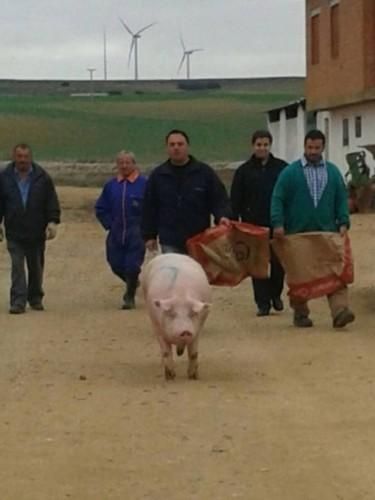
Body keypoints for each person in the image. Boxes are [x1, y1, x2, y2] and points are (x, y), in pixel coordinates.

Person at [271, 129, 355, 328]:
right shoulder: (290, 173)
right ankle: (301, 313)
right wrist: (278, 223)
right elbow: (278, 198)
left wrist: (343, 221)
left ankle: (340, 311)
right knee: (299, 276)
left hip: (327, 233)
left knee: (335, 271)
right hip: (297, 234)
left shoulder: (333, 172)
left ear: (323, 147)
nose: (313, 151)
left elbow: (341, 198)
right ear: (304, 146)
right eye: (310, 147)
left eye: (317, 148)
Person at [142, 129, 231, 254]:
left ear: (187, 146)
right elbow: (149, 207)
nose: (176, 148)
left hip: (199, 239)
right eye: (172, 145)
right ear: (166, 148)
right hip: (170, 241)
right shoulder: (158, 176)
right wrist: (149, 235)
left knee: (197, 273)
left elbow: (219, 199)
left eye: (180, 144)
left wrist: (222, 216)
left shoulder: (204, 173)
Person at [230, 130, 287, 317]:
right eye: (258, 145)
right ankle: (262, 303)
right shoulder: (243, 172)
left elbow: (288, 196)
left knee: (278, 264)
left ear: (270, 146)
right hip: (252, 226)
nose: (262, 148)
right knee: (257, 266)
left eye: (265, 144)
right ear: (252, 146)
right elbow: (236, 199)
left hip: (276, 225)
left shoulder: (282, 168)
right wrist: (233, 222)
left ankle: (275, 295)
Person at [0, 143, 60, 314]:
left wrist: (53, 222)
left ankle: (35, 297)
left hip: (36, 232)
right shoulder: (4, 177)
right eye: (19, 157)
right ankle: (18, 301)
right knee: (17, 267)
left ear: (31, 158)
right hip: (14, 231)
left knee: (36, 266)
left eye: (26, 157)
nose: (23, 160)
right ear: (14, 157)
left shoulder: (43, 178)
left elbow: (51, 201)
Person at [95, 151, 147, 309]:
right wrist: (109, 224)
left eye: (127, 162)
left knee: (132, 265)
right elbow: (100, 207)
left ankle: (129, 296)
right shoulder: (111, 186)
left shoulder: (144, 184)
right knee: (115, 263)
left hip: (136, 231)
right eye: (121, 163)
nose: (124, 166)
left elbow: (153, 207)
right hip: (116, 231)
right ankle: (132, 282)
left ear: (134, 164)